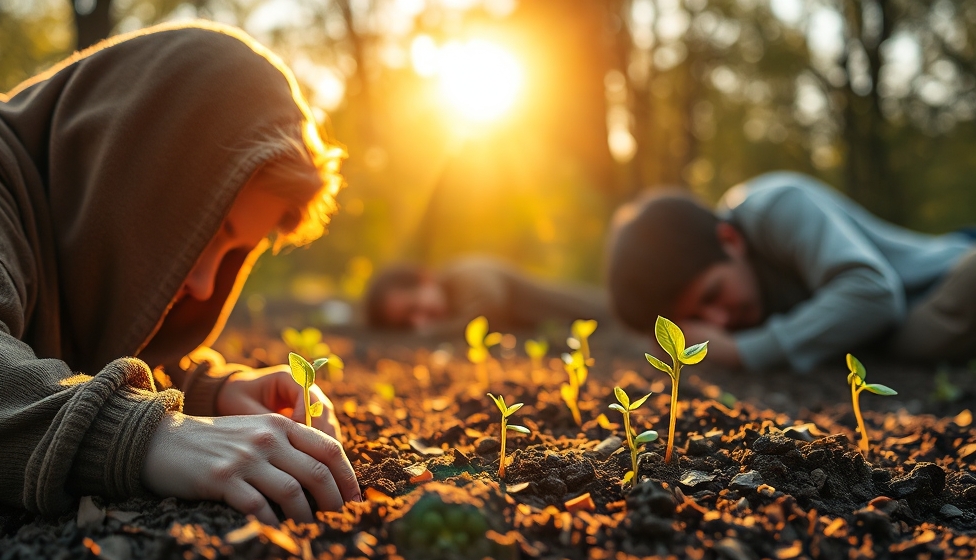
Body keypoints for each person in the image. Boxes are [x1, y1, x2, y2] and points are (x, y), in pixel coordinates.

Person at [0, 22, 361, 525]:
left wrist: (209, 392)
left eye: (234, 252)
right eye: (206, 232)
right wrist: (147, 436)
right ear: (128, 165)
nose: (206, 285)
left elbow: (69, 342)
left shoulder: (60, 220)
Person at [607, 171, 976, 372]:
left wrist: (742, 352)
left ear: (730, 240)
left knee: (916, 343)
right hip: (902, 329)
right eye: (697, 321)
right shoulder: (739, 295)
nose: (718, 321)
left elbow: (874, 294)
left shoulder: (774, 206)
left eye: (712, 294)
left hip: (941, 281)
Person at [364, 256, 613, 336]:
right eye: (407, 323)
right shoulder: (453, 304)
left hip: (606, 311)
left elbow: (490, 307)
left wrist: (435, 330)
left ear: (425, 279)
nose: (419, 321)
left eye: (414, 307)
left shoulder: (469, 272)